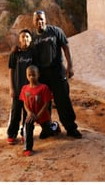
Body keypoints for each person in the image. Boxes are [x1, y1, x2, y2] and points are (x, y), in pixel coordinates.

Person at [31, 10, 82, 138]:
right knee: (44, 103)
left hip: (57, 71)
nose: (40, 22)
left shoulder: (55, 31)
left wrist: (70, 66)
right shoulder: (33, 37)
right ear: (33, 22)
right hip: (42, 74)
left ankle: (71, 128)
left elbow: (65, 47)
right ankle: (47, 128)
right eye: (37, 20)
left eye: (41, 19)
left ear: (45, 20)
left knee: (63, 100)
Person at [19, 65, 54, 156]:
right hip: (31, 115)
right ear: (26, 76)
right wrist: (29, 112)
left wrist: (38, 115)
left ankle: (55, 126)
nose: (31, 77)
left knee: (47, 133)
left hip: (42, 115)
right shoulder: (24, 88)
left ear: (38, 75)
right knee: (27, 125)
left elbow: (47, 104)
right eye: (29, 75)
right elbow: (24, 103)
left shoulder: (44, 88)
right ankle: (27, 148)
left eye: (33, 75)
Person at [6, 29, 34, 144]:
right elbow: (11, 71)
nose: (25, 39)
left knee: (27, 113)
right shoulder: (15, 54)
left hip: (29, 90)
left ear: (31, 39)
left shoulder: (33, 53)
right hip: (17, 89)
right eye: (23, 37)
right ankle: (12, 134)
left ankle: (25, 134)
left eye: (27, 36)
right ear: (19, 39)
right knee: (15, 112)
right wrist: (11, 87)